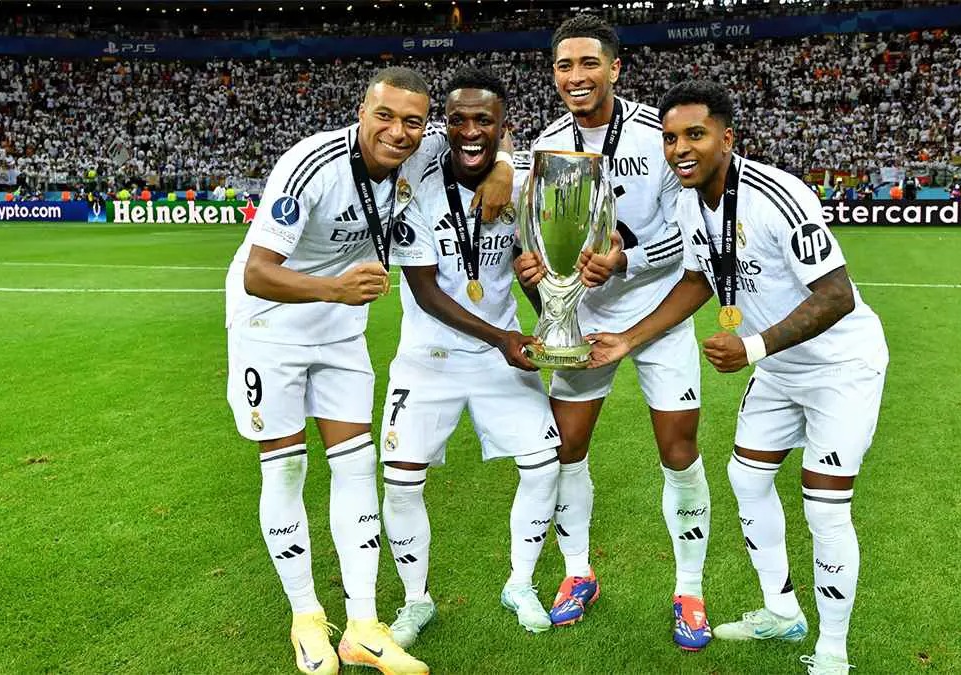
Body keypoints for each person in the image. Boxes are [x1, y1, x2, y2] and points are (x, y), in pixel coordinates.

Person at [588, 80, 888, 675]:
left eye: (695, 135)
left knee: (825, 508)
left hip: (840, 368)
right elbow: (699, 279)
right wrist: (629, 338)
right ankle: (782, 611)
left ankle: (832, 653)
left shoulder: (778, 195)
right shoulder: (688, 202)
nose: (680, 149)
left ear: (727, 138)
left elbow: (837, 295)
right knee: (747, 479)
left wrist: (751, 346)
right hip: (778, 367)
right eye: (670, 138)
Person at [223, 66, 513, 675]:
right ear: (361, 112)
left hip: (340, 326)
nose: (398, 132)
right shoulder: (312, 164)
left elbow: (487, 138)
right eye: (385, 116)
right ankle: (306, 619)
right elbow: (257, 272)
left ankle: (362, 626)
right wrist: (334, 288)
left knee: (355, 465)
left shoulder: (420, 152)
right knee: (287, 466)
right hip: (269, 324)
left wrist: (505, 167)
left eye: (413, 121)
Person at [513, 13, 713, 650]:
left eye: (589, 63)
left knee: (678, 450)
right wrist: (536, 270)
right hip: (582, 317)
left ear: (615, 68)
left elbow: (691, 237)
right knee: (566, 447)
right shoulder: (548, 146)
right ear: (553, 74)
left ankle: (689, 590)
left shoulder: (659, 136)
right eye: (564, 65)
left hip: (656, 315)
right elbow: (536, 231)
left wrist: (626, 260)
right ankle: (578, 573)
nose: (576, 76)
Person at [377, 68, 561, 647]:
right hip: (428, 356)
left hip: (498, 356)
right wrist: (503, 338)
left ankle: (520, 583)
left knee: (544, 465)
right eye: (458, 119)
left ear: (504, 127)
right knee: (401, 483)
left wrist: (551, 320)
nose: (471, 130)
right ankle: (416, 600)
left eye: (485, 121)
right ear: (445, 124)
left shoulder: (524, 181)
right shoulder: (417, 177)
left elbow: (534, 268)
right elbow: (426, 292)